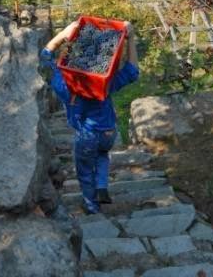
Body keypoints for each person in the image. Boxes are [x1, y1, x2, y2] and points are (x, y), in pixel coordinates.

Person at [40, 20, 139, 214]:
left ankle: (92, 206)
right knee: (102, 154)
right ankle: (101, 185)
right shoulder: (105, 84)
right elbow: (132, 71)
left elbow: (44, 58)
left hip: (86, 136)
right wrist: (131, 39)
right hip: (109, 133)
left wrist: (62, 35)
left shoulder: (63, 86)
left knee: (85, 171)